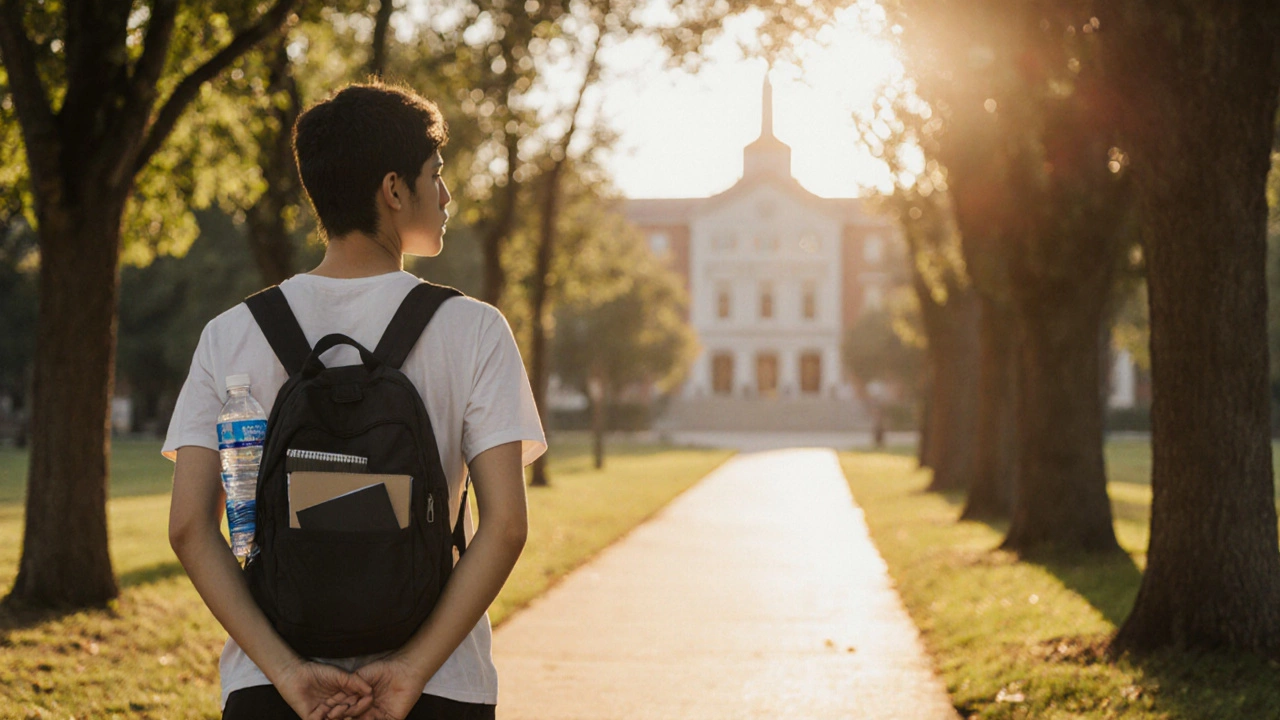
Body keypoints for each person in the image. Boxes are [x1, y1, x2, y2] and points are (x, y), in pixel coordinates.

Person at [165, 81, 546, 720]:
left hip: (272, 689)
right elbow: (504, 525)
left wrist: (287, 673)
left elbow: (188, 528)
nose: (447, 196)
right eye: (437, 174)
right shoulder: (474, 329)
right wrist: (409, 671)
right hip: (438, 687)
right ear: (395, 190)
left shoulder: (230, 334)